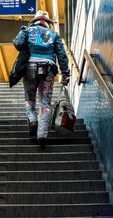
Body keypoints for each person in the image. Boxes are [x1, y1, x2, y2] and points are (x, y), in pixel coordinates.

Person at [12, 10, 70, 148]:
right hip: (48, 70)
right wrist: (65, 73)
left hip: (29, 69)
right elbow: (62, 56)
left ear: (34, 20)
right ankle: (42, 135)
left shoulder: (28, 31)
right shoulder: (54, 35)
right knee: (45, 102)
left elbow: (17, 43)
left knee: (29, 98)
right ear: (47, 23)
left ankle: (32, 120)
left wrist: (23, 31)